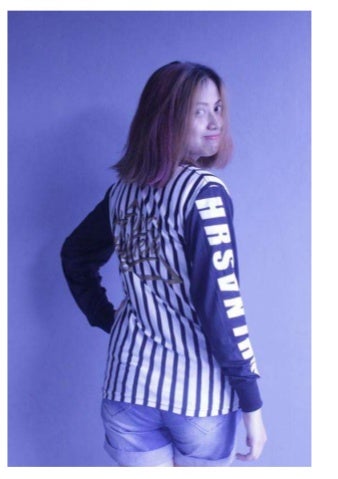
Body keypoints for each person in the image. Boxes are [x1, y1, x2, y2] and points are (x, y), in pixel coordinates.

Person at [60, 61, 266, 467]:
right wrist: (252, 403)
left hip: (126, 389)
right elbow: (222, 307)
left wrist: (109, 319)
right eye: (198, 111)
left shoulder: (122, 193)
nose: (215, 122)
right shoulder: (204, 192)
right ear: (166, 119)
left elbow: (75, 254)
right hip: (198, 397)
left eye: (218, 108)